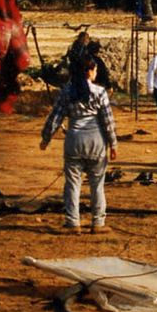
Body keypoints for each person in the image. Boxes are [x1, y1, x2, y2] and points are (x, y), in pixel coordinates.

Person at [40, 56, 118, 233]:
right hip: (96, 143)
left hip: (74, 141)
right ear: (89, 72)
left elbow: (55, 118)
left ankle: (73, 222)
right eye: (95, 70)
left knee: (72, 184)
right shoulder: (100, 92)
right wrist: (113, 144)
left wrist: (45, 139)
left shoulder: (66, 91)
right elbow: (108, 121)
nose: (96, 73)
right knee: (97, 184)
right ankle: (98, 223)